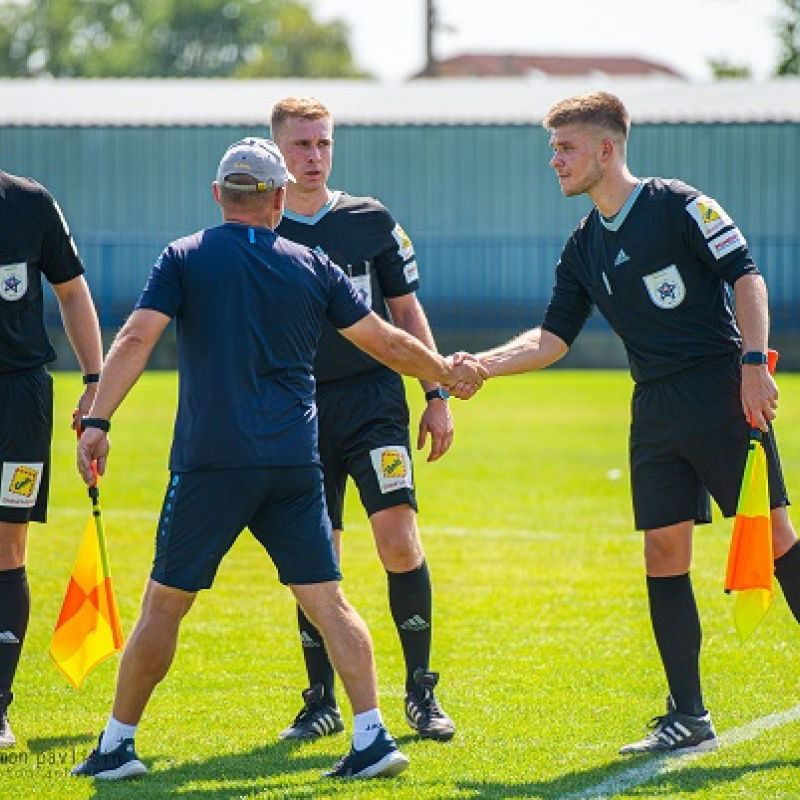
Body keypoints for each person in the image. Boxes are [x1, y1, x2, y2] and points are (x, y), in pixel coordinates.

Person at [70, 138, 483, 782]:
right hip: (294, 463)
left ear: (217, 196)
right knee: (330, 601)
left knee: (164, 607)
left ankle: (117, 745)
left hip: (212, 463)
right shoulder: (313, 264)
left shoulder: (183, 256)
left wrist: (98, 420)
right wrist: (444, 373)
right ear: (280, 198)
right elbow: (384, 339)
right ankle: (372, 735)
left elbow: (137, 337)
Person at [458, 91, 800, 755]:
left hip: (720, 391)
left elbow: (746, 277)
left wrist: (755, 363)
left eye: (565, 148)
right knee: (663, 551)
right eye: (553, 149)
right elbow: (552, 338)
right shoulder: (583, 245)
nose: (553, 161)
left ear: (605, 149)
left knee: (778, 538)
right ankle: (689, 715)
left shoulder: (678, 205)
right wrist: (483, 367)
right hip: (653, 407)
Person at [267, 96, 457, 744]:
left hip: (375, 404)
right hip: (297, 412)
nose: (314, 157)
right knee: (318, 555)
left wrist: (435, 392)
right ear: (277, 150)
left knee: (398, 540)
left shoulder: (371, 220)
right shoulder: (262, 228)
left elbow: (406, 313)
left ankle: (421, 694)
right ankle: (319, 699)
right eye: (301, 146)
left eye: (322, 144)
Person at [0, 168, 103, 748]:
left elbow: (71, 290)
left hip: (19, 400)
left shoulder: (30, 202)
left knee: (7, 547)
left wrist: (95, 383)